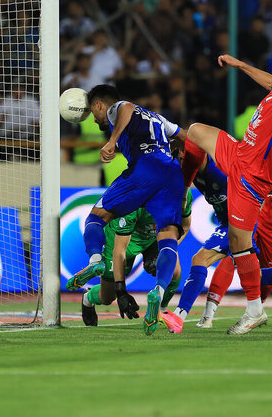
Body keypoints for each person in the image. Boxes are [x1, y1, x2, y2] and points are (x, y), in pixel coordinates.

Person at [178, 50, 272, 334]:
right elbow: (270, 84)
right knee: (196, 131)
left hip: (252, 178)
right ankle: (183, 189)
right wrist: (240, 64)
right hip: (238, 153)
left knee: (239, 246)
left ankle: (254, 310)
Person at [160, 133, 272, 333]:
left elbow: (203, 151)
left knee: (201, 260)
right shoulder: (188, 175)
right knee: (253, 274)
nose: (182, 161)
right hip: (235, 220)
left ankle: (181, 316)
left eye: (183, 156)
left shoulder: (213, 168)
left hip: (241, 220)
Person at [65, 84, 186, 336]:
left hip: (145, 169)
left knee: (95, 218)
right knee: (169, 237)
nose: (95, 119)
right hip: (172, 172)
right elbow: (184, 135)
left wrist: (111, 141)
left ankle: (95, 260)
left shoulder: (117, 108)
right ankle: (159, 293)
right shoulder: (157, 118)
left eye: (93, 112)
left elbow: (126, 107)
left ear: (100, 105)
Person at [80, 192, 193, 326]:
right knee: (107, 297)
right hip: (121, 240)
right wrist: (121, 291)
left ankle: (160, 309)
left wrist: (163, 251)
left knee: (174, 270)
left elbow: (184, 227)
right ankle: (88, 298)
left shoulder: (183, 192)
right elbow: (120, 250)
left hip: (155, 237)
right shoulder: (133, 202)